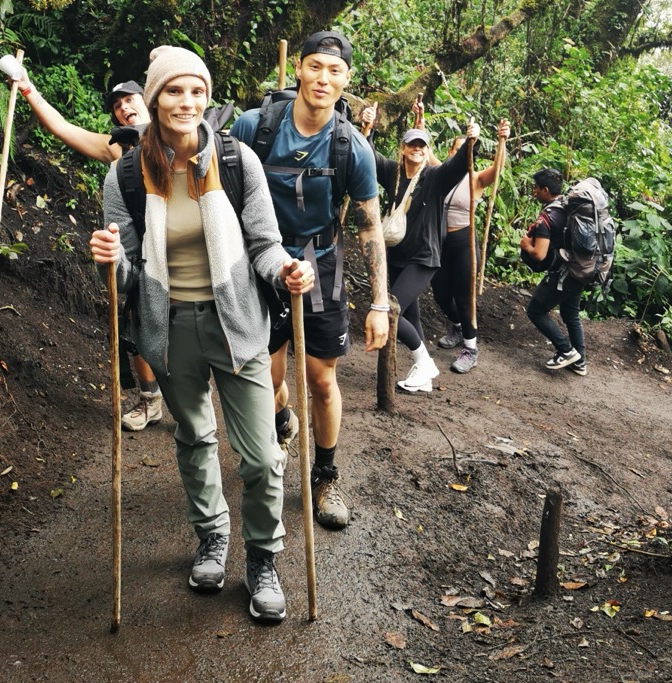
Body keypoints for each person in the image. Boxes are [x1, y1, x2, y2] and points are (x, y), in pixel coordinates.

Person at [89, 46, 314, 623]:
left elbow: (264, 245)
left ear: (206, 97)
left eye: (196, 91)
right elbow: (132, 274)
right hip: (168, 328)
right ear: (154, 100)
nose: (186, 102)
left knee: (263, 456)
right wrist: (111, 262)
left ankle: (262, 558)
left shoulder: (238, 162)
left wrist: (287, 270)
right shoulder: (126, 174)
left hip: (236, 323)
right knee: (194, 437)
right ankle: (212, 537)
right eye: (173, 91)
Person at [231, 31, 390, 531]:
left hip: (320, 264)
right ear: (299, 69)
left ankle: (325, 476)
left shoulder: (352, 147)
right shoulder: (254, 128)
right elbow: (221, 195)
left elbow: (368, 225)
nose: (324, 78)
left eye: (335, 71)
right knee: (268, 381)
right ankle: (281, 424)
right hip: (261, 263)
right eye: (316, 67)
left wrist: (380, 302)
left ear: (347, 81)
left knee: (321, 380)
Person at [13, 68, 164, 431]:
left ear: (149, 100)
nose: (124, 107)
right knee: (134, 325)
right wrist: (29, 89)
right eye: (117, 105)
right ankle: (151, 399)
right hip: (135, 252)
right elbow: (64, 128)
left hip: (176, 250)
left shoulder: (176, 135)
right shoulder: (117, 148)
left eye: (130, 99)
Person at [367, 118, 482, 393]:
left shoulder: (434, 177)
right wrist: (368, 129)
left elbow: (457, 166)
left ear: (426, 149)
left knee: (390, 309)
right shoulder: (393, 173)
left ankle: (425, 362)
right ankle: (423, 375)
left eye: (422, 145)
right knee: (411, 316)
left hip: (422, 256)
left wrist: (471, 142)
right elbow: (368, 157)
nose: (417, 149)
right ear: (403, 148)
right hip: (395, 255)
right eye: (412, 144)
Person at [413, 104, 510, 374]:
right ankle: (456, 326)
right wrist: (419, 118)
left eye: (466, 149)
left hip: (463, 244)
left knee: (464, 297)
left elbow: (497, 168)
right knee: (441, 295)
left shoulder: (476, 179)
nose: (460, 154)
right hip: (439, 244)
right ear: (450, 153)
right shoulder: (440, 172)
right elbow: (424, 150)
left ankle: (470, 347)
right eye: (457, 150)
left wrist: (502, 138)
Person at [520, 168, 587, 375]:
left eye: (537, 188)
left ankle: (565, 350)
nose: (534, 192)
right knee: (570, 314)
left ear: (545, 190)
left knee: (535, 310)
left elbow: (539, 254)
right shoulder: (568, 206)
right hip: (581, 269)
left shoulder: (547, 217)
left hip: (563, 274)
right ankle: (580, 362)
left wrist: (526, 246)